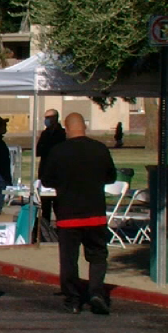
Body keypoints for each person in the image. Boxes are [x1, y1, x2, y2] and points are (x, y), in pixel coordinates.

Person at [41, 113, 116, 315]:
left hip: (68, 215)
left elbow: (46, 180)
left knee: (69, 259)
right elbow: (111, 176)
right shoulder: (100, 149)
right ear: (85, 127)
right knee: (98, 256)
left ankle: (73, 298)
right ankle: (96, 292)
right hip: (95, 213)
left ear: (66, 129)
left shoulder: (58, 152)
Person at [36, 108, 65, 223]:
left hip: (58, 173)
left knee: (58, 205)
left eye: (48, 118)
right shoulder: (45, 134)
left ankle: (60, 228)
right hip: (45, 171)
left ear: (55, 119)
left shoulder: (62, 134)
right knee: (45, 205)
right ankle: (46, 229)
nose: (46, 120)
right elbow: (38, 150)